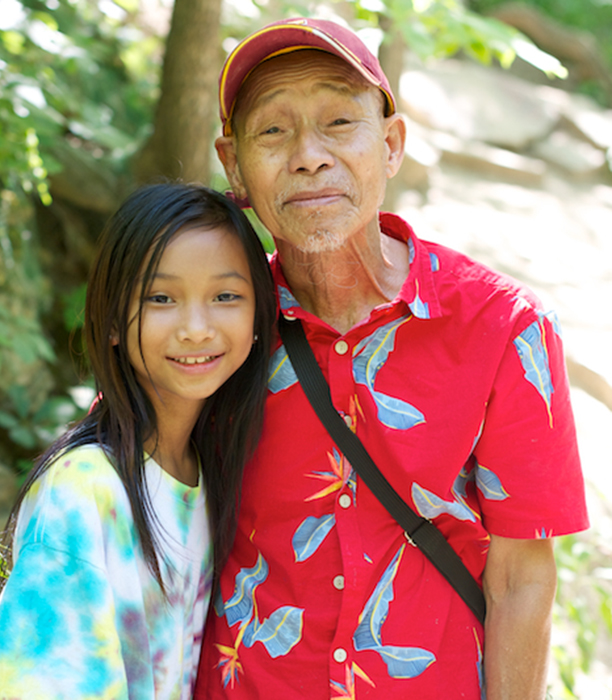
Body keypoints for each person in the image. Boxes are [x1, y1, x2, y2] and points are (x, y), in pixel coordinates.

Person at [194, 18, 589, 700]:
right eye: (274, 131)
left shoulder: (504, 330)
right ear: (234, 166)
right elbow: (117, 481)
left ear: (393, 143)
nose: (309, 155)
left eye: (339, 121)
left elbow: (523, 575)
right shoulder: (214, 326)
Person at [0, 183, 276, 700]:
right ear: (109, 322)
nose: (196, 328)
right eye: (161, 298)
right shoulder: (82, 493)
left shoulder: (201, 470)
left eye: (225, 296)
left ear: (259, 317)